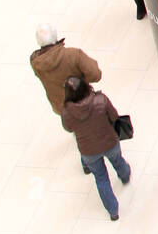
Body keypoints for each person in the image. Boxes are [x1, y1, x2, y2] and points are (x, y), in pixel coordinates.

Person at [30, 25, 103, 175]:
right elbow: (95, 74)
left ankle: (86, 162)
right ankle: (101, 150)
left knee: (79, 132)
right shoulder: (73, 55)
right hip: (83, 100)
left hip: (61, 106)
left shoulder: (36, 62)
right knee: (93, 125)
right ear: (56, 37)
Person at [61, 77, 131, 221]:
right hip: (109, 142)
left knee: (101, 178)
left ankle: (113, 212)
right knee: (118, 160)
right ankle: (125, 176)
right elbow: (114, 116)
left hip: (88, 151)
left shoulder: (67, 112)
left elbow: (68, 128)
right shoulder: (100, 100)